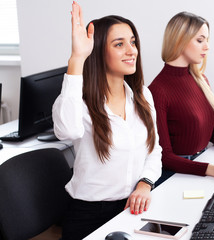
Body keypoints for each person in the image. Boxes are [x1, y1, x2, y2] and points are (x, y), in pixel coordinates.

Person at [52, 2, 162, 239]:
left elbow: (153, 150)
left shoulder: (142, 95)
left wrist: (145, 184)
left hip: (133, 207)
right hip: (89, 214)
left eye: (132, 42)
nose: (132, 50)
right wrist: (77, 58)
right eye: (119, 44)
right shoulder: (79, 100)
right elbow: (66, 131)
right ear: (99, 50)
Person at [149, 11, 214, 186]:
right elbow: (164, 157)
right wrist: (213, 170)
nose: (207, 46)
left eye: (207, 40)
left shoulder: (201, 79)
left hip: (203, 161)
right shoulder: (157, 91)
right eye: (200, 40)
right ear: (180, 40)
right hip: (177, 174)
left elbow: (212, 130)